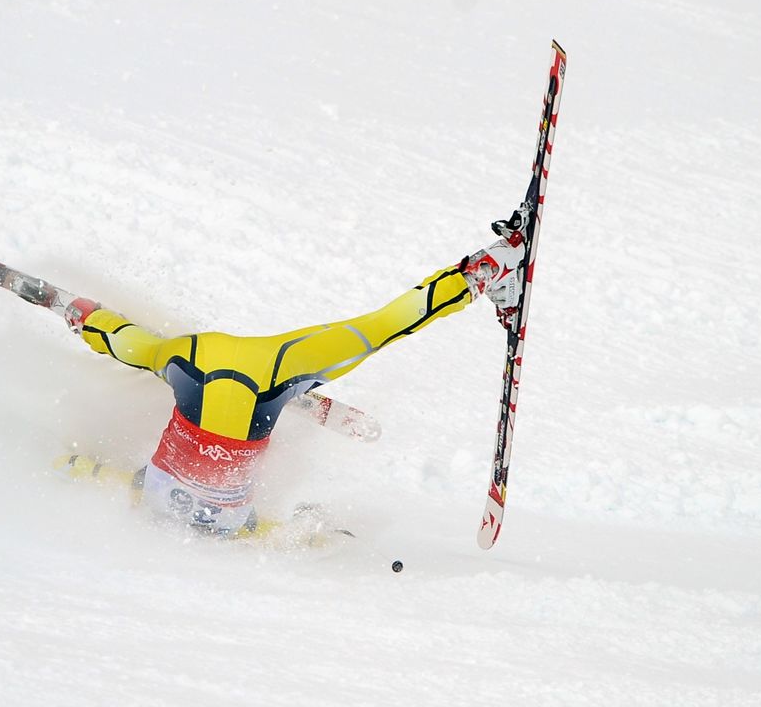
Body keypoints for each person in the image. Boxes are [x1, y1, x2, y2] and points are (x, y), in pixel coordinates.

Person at [59, 209, 531, 536]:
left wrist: (318, 531)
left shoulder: (232, 527)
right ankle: (83, 316)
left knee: (380, 328)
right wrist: (85, 317)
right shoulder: (145, 493)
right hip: (192, 360)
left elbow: (279, 536)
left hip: (268, 377)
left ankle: (487, 270)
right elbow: (128, 352)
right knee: (141, 352)